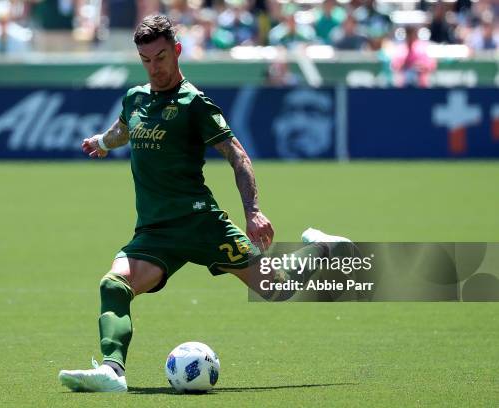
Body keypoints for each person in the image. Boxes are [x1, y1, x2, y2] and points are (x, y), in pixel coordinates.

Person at [57, 14, 352, 393]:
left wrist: (253, 212)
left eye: (161, 57)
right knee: (114, 285)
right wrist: (102, 141)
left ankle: (326, 246)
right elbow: (123, 129)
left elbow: (238, 156)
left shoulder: (194, 103)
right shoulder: (135, 97)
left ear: (177, 51)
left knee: (276, 288)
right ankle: (113, 372)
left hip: (201, 225)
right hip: (156, 230)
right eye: (146, 60)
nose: (154, 67)